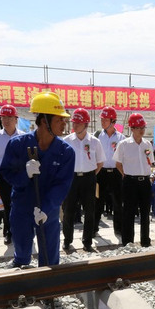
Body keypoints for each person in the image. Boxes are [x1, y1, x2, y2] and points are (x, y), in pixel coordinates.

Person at [0, 92, 74, 266]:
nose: (64, 124)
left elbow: (62, 185)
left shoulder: (66, 152)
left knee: (49, 259)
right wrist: (24, 175)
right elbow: (7, 173)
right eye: (59, 120)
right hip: (22, 207)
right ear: (43, 121)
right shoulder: (17, 144)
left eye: (64, 120)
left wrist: (46, 208)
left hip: (48, 210)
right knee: (22, 255)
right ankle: (23, 285)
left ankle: (48, 290)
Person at [63, 108, 103, 252]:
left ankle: (87, 242)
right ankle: (67, 240)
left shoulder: (95, 142)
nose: (74, 126)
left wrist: (90, 175)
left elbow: (100, 163)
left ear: (86, 124)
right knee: (68, 211)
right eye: (74, 123)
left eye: (78, 123)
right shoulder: (66, 141)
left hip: (88, 179)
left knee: (89, 211)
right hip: (72, 179)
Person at [0, 104, 25, 246]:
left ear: (16, 119)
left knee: (21, 204)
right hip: (3, 177)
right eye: (3, 117)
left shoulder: (23, 136)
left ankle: (22, 231)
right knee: (8, 206)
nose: (6, 120)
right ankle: (9, 232)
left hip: (20, 176)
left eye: (9, 117)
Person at [114, 113, 153, 247]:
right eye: (138, 127)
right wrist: (127, 175)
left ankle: (145, 241)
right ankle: (128, 241)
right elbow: (118, 164)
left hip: (145, 182)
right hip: (130, 182)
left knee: (145, 213)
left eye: (143, 127)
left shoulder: (147, 144)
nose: (141, 130)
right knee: (128, 213)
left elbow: (150, 162)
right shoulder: (124, 144)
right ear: (132, 128)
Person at [95, 106, 125, 237]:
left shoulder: (121, 138)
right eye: (102, 119)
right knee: (98, 202)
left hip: (116, 173)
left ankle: (118, 229)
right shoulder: (96, 136)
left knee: (118, 203)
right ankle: (93, 228)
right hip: (101, 173)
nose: (102, 122)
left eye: (105, 120)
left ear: (113, 121)